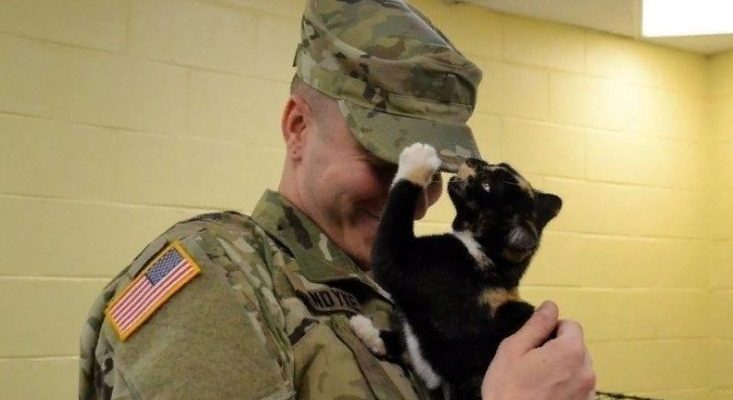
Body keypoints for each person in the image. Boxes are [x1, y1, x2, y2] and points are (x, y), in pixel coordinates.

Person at [79, 0, 596, 399]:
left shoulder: (397, 294)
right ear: (298, 127)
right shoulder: (216, 283)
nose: (414, 204)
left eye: (428, 175)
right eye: (381, 164)